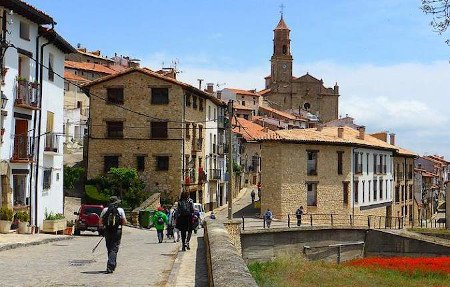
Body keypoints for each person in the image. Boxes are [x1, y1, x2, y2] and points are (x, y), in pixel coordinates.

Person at [100, 196, 127, 274]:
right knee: (114, 248)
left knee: (109, 247)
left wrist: (104, 227)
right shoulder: (120, 210)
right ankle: (111, 266)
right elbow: (125, 222)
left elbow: (100, 222)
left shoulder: (105, 210)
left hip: (108, 231)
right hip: (117, 231)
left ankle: (111, 265)